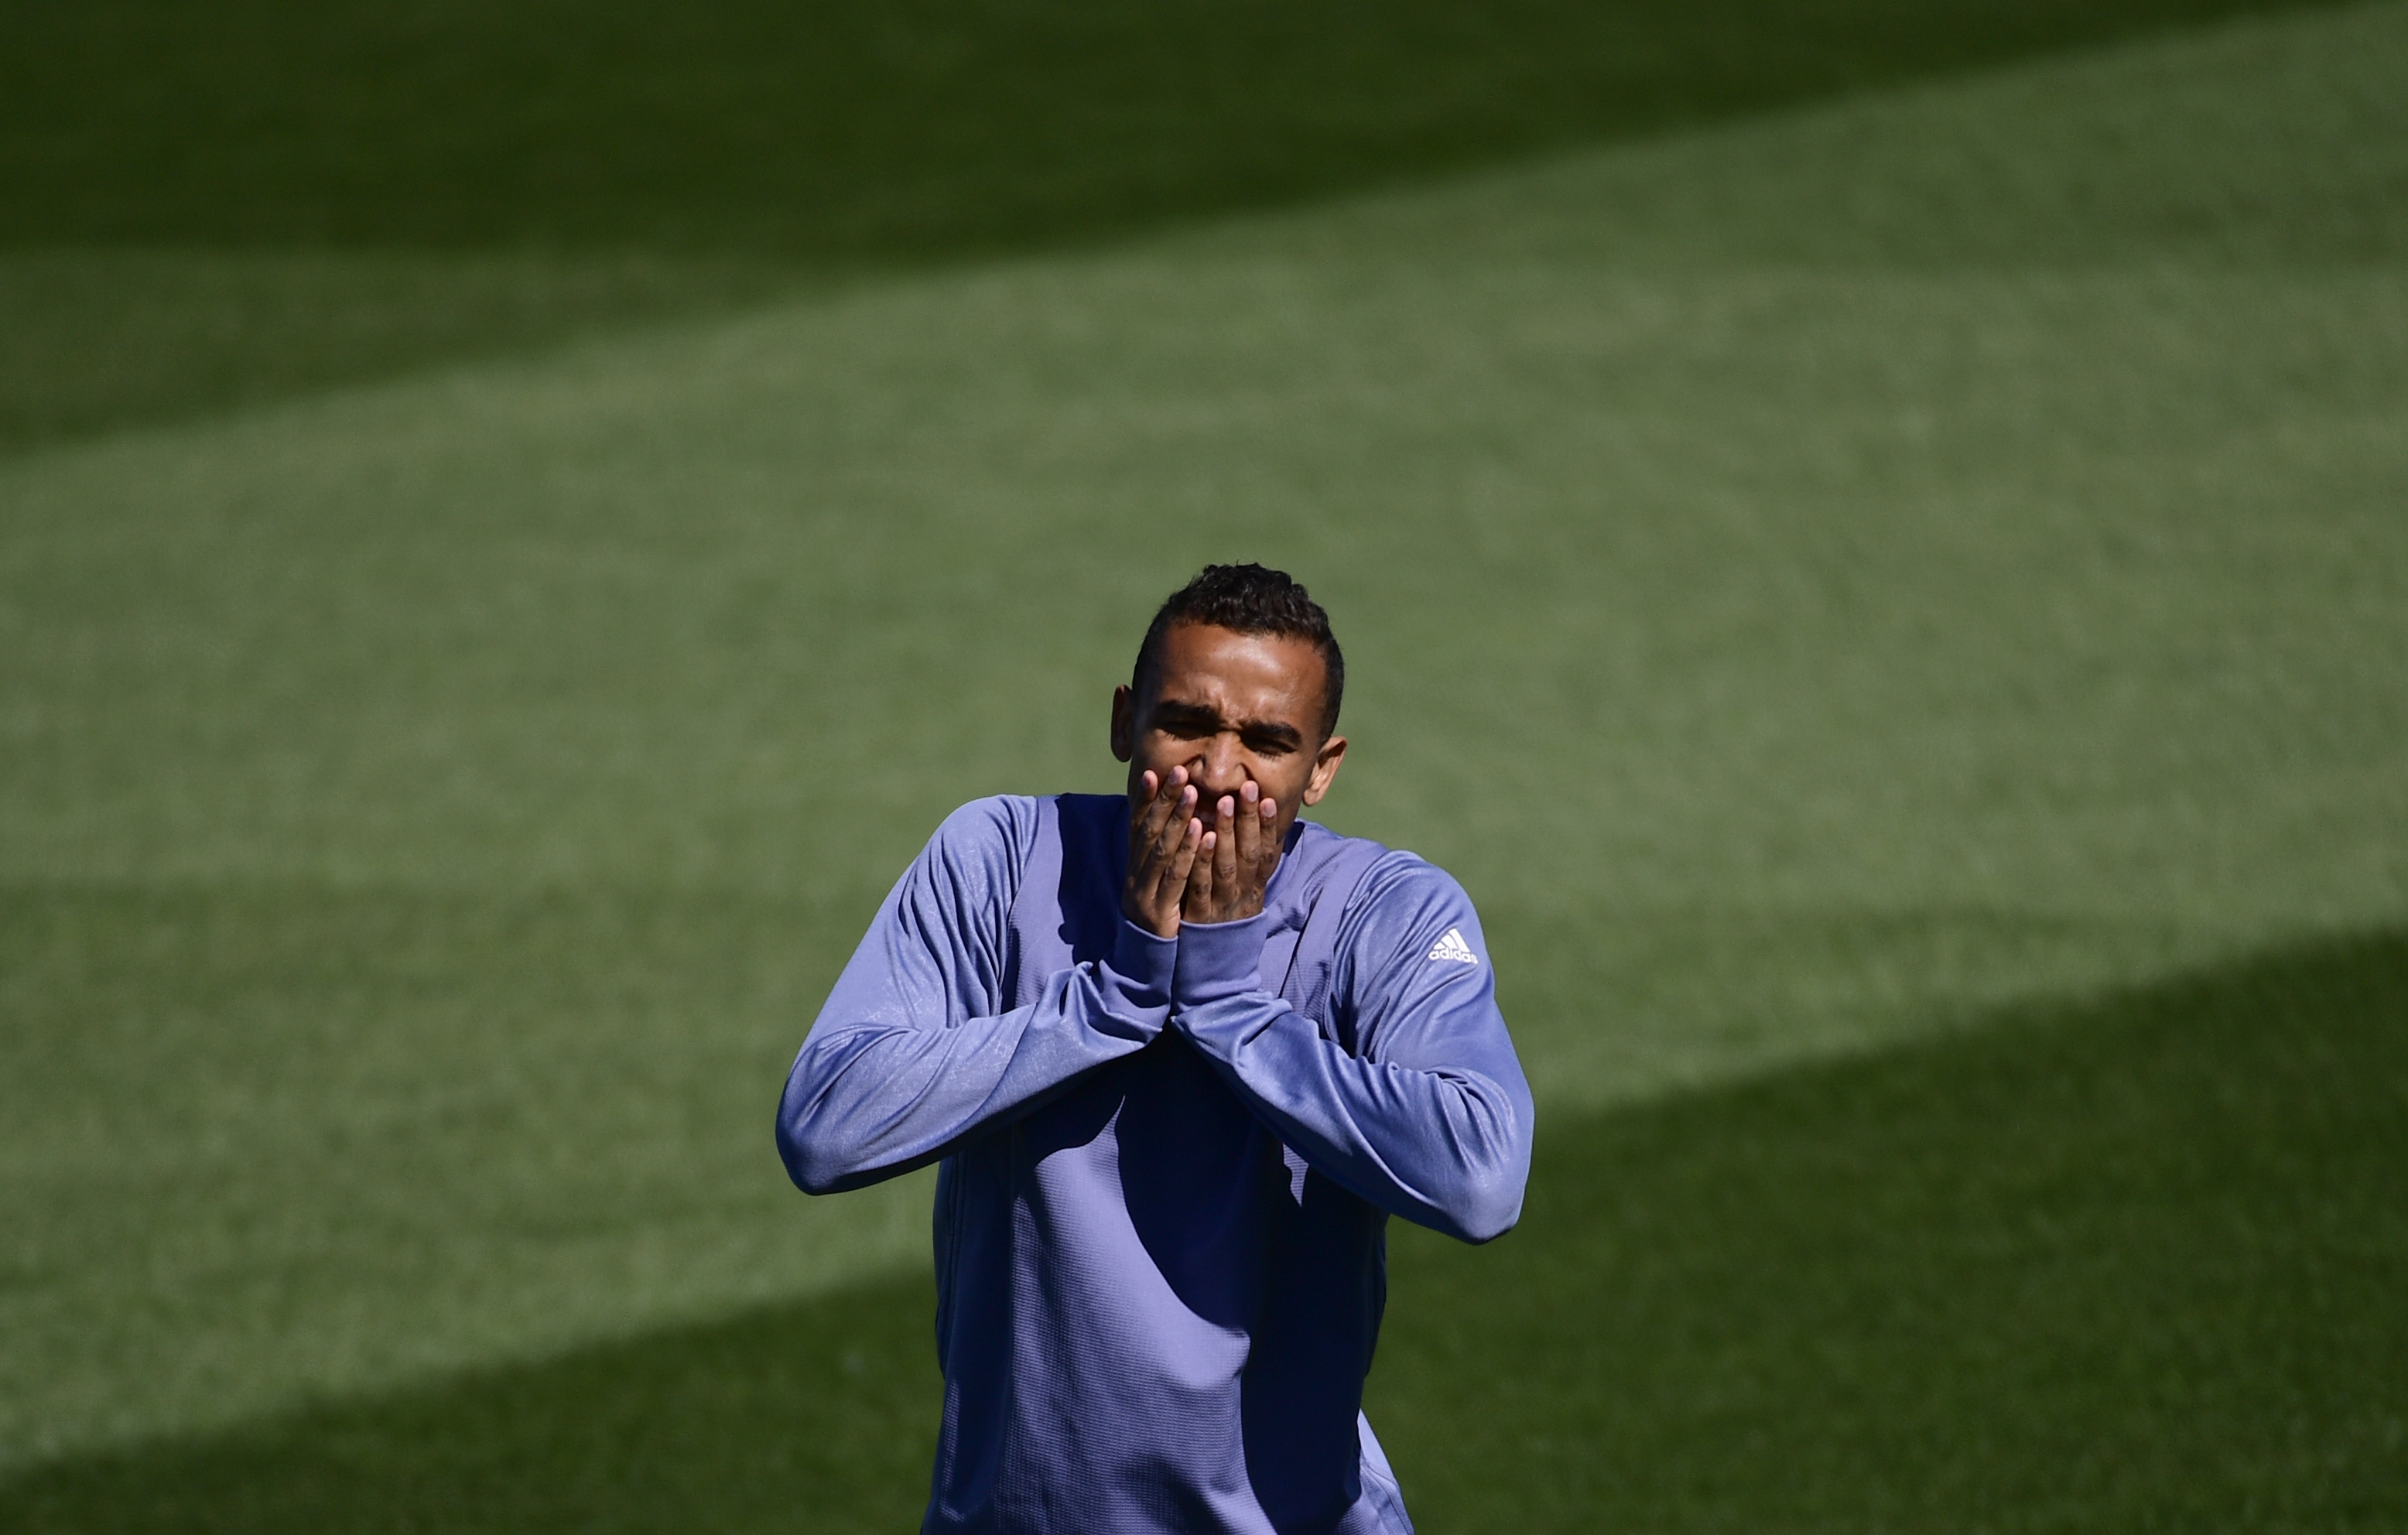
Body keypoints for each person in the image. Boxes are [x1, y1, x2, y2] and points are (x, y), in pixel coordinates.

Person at [777, 563, 1534, 1535]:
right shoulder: (1000, 859)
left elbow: (1478, 1179)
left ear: (1324, 765)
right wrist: (1117, 997)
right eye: (1186, 723)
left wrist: (1227, 1008)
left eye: (1267, 742)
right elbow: (826, 1127)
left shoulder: (1386, 912)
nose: (1218, 774)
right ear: (1123, 720)